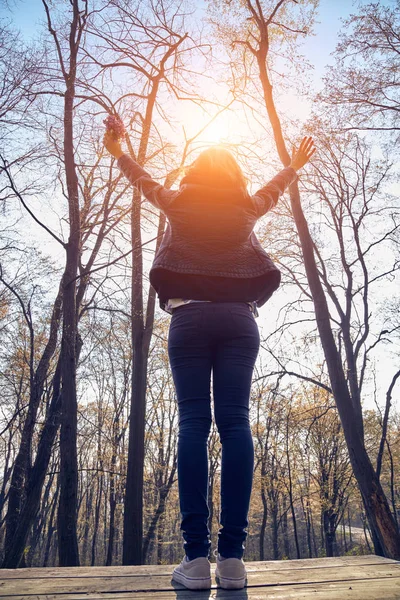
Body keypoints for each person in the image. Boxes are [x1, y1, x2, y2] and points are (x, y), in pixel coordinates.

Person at [103, 131, 315, 590]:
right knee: (236, 424)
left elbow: (142, 181)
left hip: (190, 319)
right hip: (241, 321)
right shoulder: (245, 208)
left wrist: (120, 153)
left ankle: (196, 560)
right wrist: (293, 165)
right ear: (234, 177)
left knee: (193, 425)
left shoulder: (178, 202)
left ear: (196, 173)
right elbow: (273, 191)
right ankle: (233, 561)